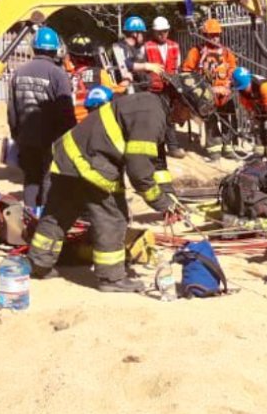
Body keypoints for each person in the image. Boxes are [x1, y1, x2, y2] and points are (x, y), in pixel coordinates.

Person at [27, 72, 215, 292]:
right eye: (188, 113)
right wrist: (162, 203)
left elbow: (157, 162)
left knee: (59, 214)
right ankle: (111, 278)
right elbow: (139, 170)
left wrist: (169, 196)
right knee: (113, 217)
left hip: (68, 158)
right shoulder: (152, 115)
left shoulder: (152, 107)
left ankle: (38, 263)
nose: (184, 121)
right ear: (177, 100)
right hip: (90, 162)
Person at [8, 26, 75, 214]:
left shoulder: (19, 73)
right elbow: (66, 110)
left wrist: (16, 134)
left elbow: (12, 109)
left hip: (26, 137)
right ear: (55, 49)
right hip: (51, 138)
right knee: (48, 178)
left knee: (31, 178)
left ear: (34, 47)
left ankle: (29, 217)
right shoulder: (57, 74)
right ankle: (45, 220)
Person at [182, 18, 238, 161]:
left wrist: (228, 85)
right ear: (205, 35)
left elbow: (233, 68)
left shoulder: (226, 52)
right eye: (211, 34)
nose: (215, 37)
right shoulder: (197, 51)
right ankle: (214, 151)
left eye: (217, 34)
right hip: (206, 94)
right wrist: (201, 89)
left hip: (225, 93)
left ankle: (228, 148)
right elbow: (186, 71)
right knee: (211, 121)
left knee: (227, 119)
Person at [144, 16, 185, 158]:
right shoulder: (147, 47)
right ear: (154, 32)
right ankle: (169, 147)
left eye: (165, 31)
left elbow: (177, 66)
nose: (162, 35)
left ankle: (171, 146)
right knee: (159, 118)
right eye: (159, 32)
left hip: (170, 87)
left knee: (170, 116)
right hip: (153, 89)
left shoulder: (174, 46)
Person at [233, 67, 267, 159]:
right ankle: (259, 155)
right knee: (257, 128)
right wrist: (253, 116)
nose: (245, 90)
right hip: (262, 108)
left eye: (246, 86)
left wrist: (261, 116)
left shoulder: (266, 87)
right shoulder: (242, 92)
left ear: (249, 81)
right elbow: (249, 107)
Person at [65, 33, 123, 123]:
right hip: (92, 121)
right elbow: (114, 93)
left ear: (72, 57)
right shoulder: (99, 73)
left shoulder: (66, 76)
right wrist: (126, 82)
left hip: (71, 123)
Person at [111, 16, 165, 90]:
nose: (144, 36)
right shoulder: (120, 47)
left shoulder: (136, 49)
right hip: (129, 92)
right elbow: (124, 64)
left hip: (142, 88)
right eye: (142, 33)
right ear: (135, 34)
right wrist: (145, 66)